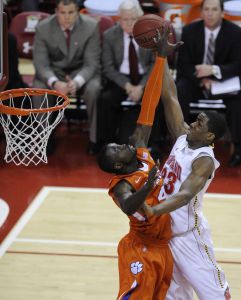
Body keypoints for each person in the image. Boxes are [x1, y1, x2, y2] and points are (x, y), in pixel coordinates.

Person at [142, 36, 230, 300]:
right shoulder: (183, 137)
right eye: (196, 120)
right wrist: (162, 57)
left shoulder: (204, 160)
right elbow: (169, 96)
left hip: (190, 238)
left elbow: (184, 195)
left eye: (200, 124)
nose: (193, 124)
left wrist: (152, 210)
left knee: (214, 295)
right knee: (172, 297)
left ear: (210, 137)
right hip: (164, 235)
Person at [98, 26, 182, 299]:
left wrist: (160, 59)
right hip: (140, 249)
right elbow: (128, 206)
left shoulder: (141, 149)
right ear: (119, 166)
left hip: (163, 246)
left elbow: (149, 102)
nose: (123, 145)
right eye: (117, 150)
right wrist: (147, 186)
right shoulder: (122, 186)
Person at [97, 0, 166, 159]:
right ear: (118, 20)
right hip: (121, 79)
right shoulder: (109, 36)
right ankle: (107, 144)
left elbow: (155, 64)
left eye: (133, 19)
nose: (129, 23)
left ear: (140, 18)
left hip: (145, 78)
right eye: (125, 20)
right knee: (105, 99)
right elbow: (107, 67)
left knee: (158, 99)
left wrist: (141, 86)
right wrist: (127, 85)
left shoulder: (150, 34)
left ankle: (155, 144)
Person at [176, 0, 241, 167]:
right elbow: (183, 64)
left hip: (223, 82)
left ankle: (238, 147)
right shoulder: (189, 31)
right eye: (206, 9)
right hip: (195, 81)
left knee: (238, 100)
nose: (210, 13)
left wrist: (212, 70)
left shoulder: (235, 32)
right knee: (180, 89)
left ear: (222, 12)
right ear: (201, 12)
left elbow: (237, 64)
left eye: (214, 9)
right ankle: (180, 139)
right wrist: (201, 79)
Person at [32, 0, 101, 154]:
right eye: (63, 13)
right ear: (56, 11)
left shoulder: (91, 26)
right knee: (39, 87)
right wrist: (55, 83)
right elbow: (41, 64)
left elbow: (92, 63)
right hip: (54, 73)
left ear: (77, 12)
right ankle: (44, 138)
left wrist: (76, 82)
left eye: (71, 12)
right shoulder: (43, 28)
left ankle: (95, 139)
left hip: (81, 72)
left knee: (94, 88)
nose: (67, 17)